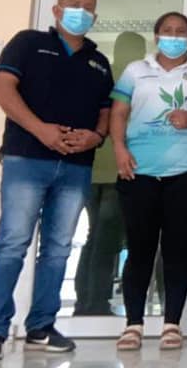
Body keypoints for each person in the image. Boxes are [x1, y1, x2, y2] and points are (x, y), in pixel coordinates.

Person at [0, 0, 114, 361]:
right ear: (56, 10)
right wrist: (41, 130)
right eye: (74, 5)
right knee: (12, 243)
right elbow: (2, 89)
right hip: (27, 159)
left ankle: (41, 326)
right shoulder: (28, 43)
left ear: (95, 16)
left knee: (58, 248)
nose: (81, 12)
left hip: (76, 166)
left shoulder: (99, 62)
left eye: (88, 8)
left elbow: (105, 111)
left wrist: (96, 136)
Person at [110, 12, 187, 351]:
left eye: (181, 32)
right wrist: (119, 149)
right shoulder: (135, 71)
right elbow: (118, 113)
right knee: (139, 249)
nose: (174, 36)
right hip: (138, 170)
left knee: (177, 249)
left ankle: (172, 324)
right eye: (167, 31)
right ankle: (133, 325)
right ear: (156, 36)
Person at [73, 31, 144, 317]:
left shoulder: (104, 73)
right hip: (115, 169)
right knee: (107, 239)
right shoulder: (130, 79)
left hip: (94, 167)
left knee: (96, 237)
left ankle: (85, 301)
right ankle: (95, 303)